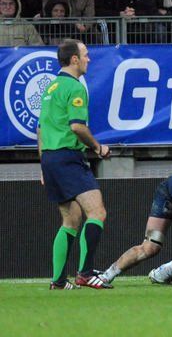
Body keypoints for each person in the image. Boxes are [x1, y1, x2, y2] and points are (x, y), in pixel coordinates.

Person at [38, 39, 112, 289]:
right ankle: (85, 273)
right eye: (85, 55)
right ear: (74, 60)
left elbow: (40, 129)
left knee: (70, 220)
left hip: (50, 158)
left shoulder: (51, 86)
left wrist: (42, 165)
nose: (89, 59)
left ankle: (58, 281)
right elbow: (77, 126)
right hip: (68, 157)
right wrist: (97, 147)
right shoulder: (74, 86)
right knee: (97, 212)